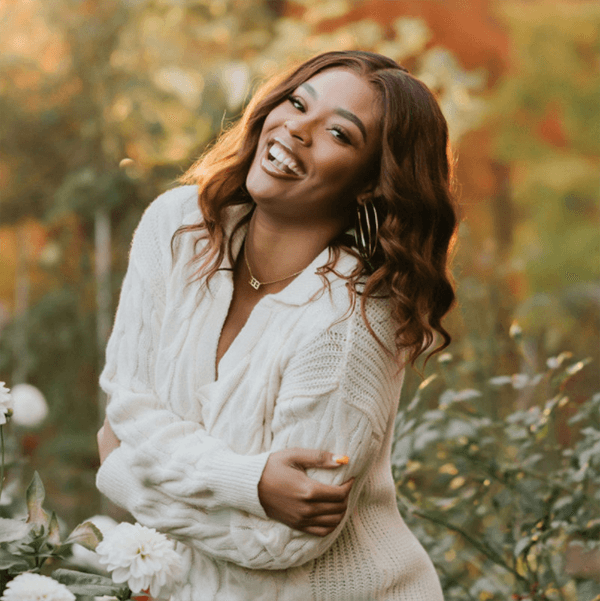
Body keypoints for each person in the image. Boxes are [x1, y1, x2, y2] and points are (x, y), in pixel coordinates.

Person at [96, 50, 457, 600]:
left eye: (339, 133)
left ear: (370, 184)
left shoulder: (352, 322)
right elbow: (126, 405)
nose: (296, 130)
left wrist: (122, 472)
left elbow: (281, 543)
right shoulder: (178, 228)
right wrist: (249, 481)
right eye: (295, 103)